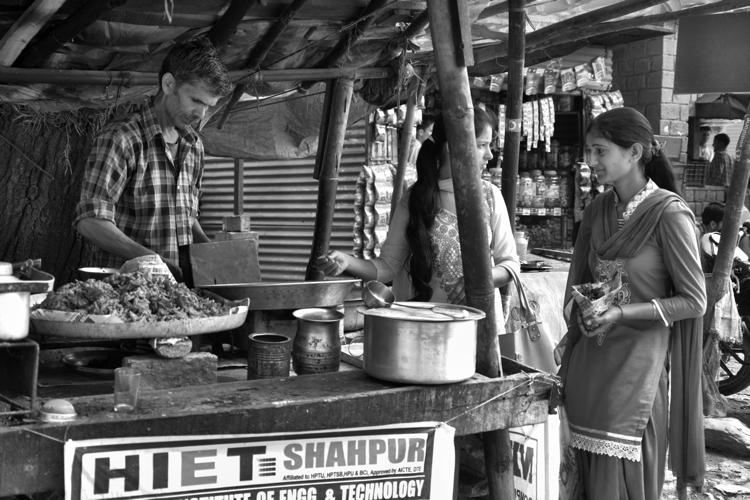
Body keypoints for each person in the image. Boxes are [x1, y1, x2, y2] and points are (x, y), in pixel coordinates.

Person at [559, 107, 706, 499]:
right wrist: (583, 310)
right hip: (590, 361)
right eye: (588, 150)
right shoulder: (597, 210)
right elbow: (581, 282)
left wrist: (622, 312)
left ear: (635, 153)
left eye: (600, 151)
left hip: (637, 368)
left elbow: (694, 300)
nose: (590, 161)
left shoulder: (668, 214)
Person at [316, 108, 519, 320]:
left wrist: (480, 279)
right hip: (424, 328)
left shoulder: (490, 196)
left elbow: (511, 264)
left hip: (480, 326)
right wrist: (347, 262)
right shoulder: (415, 198)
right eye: (481, 145)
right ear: (454, 147)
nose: (490, 155)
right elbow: (387, 267)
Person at [74, 37, 232, 281]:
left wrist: (216, 258)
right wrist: (151, 262)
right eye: (196, 101)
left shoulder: (194, 145)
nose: (201, 115)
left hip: (180, 296)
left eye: (209, 107)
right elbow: (91, 222)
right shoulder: (122, 137)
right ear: (169, 84)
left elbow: (186, 219)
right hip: (124, 295)